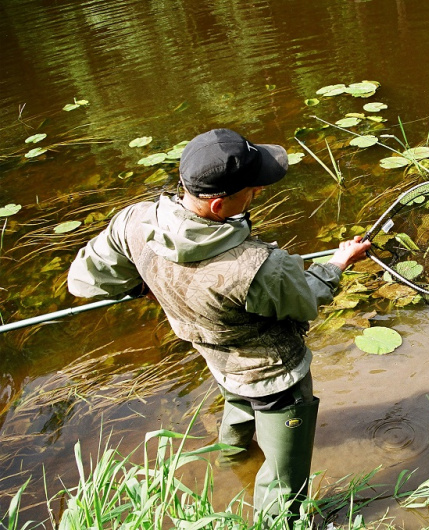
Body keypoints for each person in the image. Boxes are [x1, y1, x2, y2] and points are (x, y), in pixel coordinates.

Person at [67, 128, 371, 521]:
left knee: (237, 419)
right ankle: (282, 522)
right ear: (217, 206)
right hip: (276, 377)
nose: (258, 192)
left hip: (218, 361)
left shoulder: (134, 222)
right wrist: (337, 263)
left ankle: (235, 459)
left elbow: (85, 280)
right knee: (284, 484)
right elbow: (306, 301)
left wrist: (142, 283)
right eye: (251, 188)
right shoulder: (259, 265)